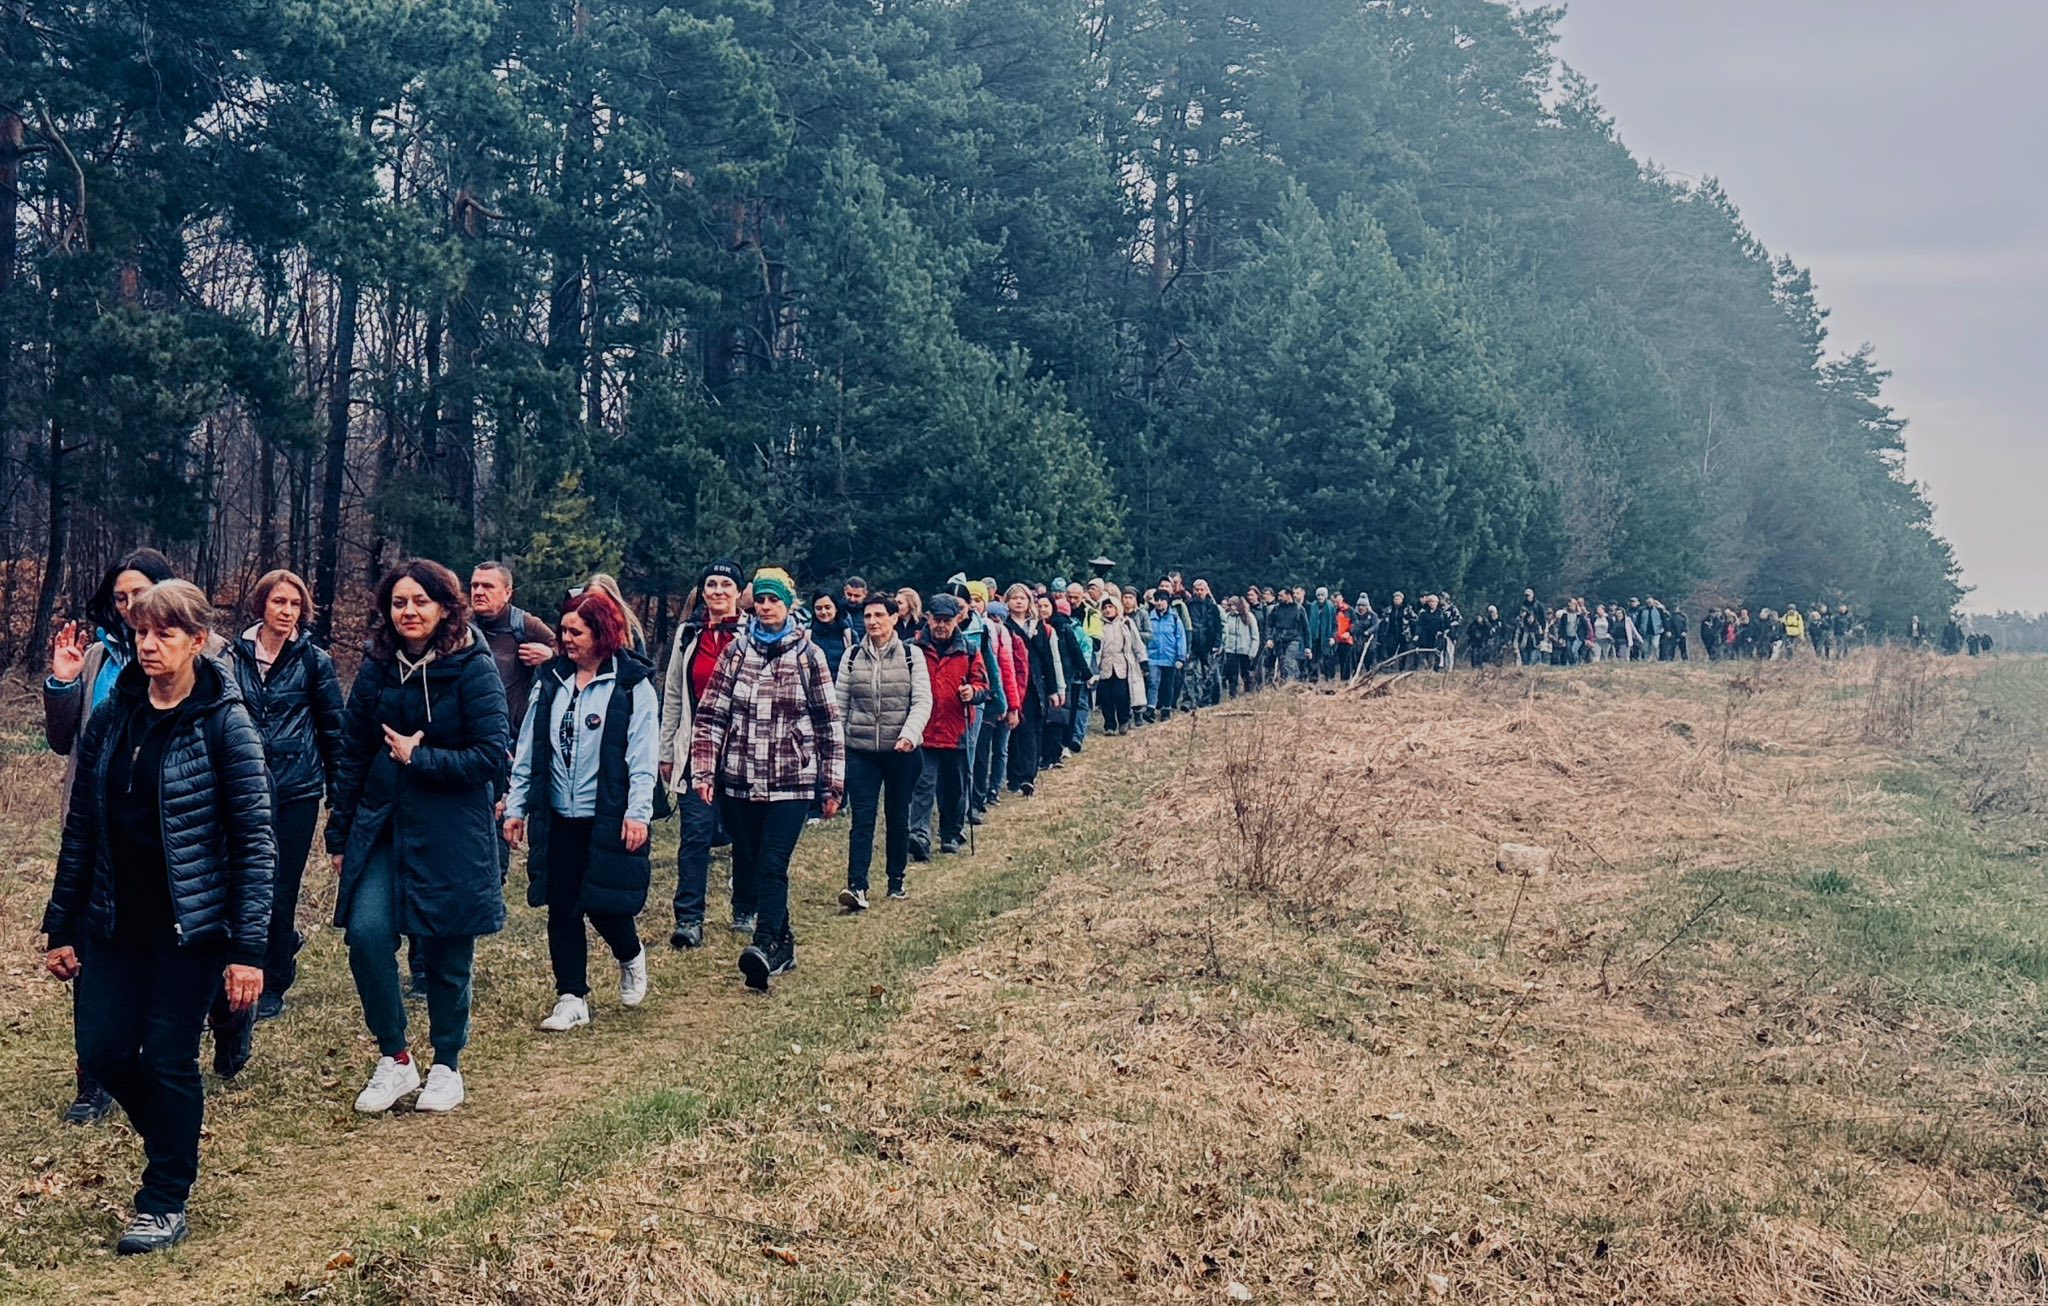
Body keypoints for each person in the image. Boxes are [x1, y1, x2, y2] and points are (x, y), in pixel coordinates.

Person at [42, 580, 275, 1254]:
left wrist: (248, 950)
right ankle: (176, 1139)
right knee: (104, 1052)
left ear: (197, 641)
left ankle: (164, 1199)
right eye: (141, 632)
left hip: (192, 928)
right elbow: (83, 825)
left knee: (169, 1059)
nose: (148, 645)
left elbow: (255, 841)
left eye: (165, 633)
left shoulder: (225, 722)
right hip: (114, 920)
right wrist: (62, 924)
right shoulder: (115, 715)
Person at [327, 559, 509, 1116]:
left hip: (453, 829)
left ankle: (447, 1064)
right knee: (367, 934)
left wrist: (419, 757)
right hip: (384, 824)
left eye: (420, 601)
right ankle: (396, 1057)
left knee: (449, 949)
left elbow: (491, 757)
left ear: (444, 607)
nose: (408, 611)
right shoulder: (378, 666)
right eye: (399, 602)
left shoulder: (473, 666)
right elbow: (353, 750)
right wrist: (340, 833)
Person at [43, 548, 180, 1125]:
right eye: (120, 598)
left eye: (139, 595)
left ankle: (161, 1056)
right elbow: (61, 741)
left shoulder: (202, 652)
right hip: (97, 825)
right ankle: (93, 1080)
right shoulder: (97, 656)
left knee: (156, 949)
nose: (128, 607)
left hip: (168, 832)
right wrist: (62, 683)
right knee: (90, 943)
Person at [502, 590, 660, 1031]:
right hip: (558, 815)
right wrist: (516, 807)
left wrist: (638, 812)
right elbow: (529, 749)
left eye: (576, 632)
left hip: (607, 813)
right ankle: (571, 997)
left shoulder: (632, 685)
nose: (565, 639)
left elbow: (643, 757)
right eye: (564, 631)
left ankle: (630, 954)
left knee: (605, 903)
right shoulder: (550, 679)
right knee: (563, 905)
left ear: (601, 633)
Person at [689, 567, 846, 992]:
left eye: (774, 599)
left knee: (774, 863)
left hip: (792, 779)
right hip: (739, 778)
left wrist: (832, 783)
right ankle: (785, 941)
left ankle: (765, 945)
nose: (765, 607)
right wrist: (704, 769)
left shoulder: (809, 655)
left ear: (789, 604)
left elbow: (828, 723)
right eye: (760, 599)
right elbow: (711, 715)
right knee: (755, 860)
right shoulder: (736, 652)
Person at [223, 569, 345, 1027]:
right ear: (262, 605)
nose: (287, 611)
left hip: (297, 789)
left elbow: (334, 731)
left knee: (280, 886)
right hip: (243, 786)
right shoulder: (232, 656)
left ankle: (274, 981)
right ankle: (246, 961)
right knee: (240, 879)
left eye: (295, 604)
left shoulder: (314, 661)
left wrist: (338, 798)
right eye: (279, 602)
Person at [658, 560, 746, 947]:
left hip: (743, 751)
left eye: (726, 584)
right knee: (694, 834)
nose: (718, 591)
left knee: (744, 833)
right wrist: (666, 750)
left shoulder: (752, 632)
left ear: (739, 591)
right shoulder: (688, 634)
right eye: (711, 584)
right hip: (695, 751)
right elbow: (674, 695)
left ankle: (745, 907)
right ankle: (689, 917)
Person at [836, 594, 932, 910]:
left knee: (897, 814)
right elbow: (840, 703)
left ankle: (896, 880)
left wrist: (909, 734)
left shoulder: (912, 656)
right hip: (861, 749)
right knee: (862, 818)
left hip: (901, 750)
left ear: (893, 618)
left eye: (879, 615)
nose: (872, 622)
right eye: (867, 616)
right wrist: (837, 743)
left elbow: (922, 700)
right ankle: (857, 886)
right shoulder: (852, 656)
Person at [911, 594, 991, 856]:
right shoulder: (913, 647)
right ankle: (919, 835)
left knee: (953, 788)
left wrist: (972, 691)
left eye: (947, 620)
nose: (941, 626)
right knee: (922, 785)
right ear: (928, 618)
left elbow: (984, 686)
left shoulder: (969, 649)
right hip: (923, 730)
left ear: (957, 619)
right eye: (937, 620)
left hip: (956, 730)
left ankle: (951, 833)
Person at [1004, 585, 1064, 796]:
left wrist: (1054, 689)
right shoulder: (1004, 627)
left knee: (1032, 729)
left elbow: (1048, 659)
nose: (1019, 602)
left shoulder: (1039, 627)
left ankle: (1028, 776)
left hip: (1035, 685)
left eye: (1023, 598)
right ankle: (1014, 776)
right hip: (1013, 683)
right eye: (1014, 598)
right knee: (1015, 731)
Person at [1093, 595, 1148, 733]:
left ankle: (1124, 720)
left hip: (1122, 665)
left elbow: (1137, 644)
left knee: (1121, 695)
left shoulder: (1126, 623)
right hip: (1104, 665)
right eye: (1105, 607)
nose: (1107, 610)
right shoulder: (1100, 625)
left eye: (1110, 607)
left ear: (1117, 608)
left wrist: (1143, 661)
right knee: (1106, 697)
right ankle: (1109, 725)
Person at [1144, 587, 1189, 721]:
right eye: (1157, 600)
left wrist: (1180, 657)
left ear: (1167, 601)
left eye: (1162, 600)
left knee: (1168, 684)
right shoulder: (1149, 617)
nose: (1159, 603)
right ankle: (1151, 708)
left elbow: (1181, 638)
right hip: (1153, 656)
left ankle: (1166, 709)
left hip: (1170, 657)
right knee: (1153, 682)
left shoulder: (1174, 618)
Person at [1220, 596, 1260, 697]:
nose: (1232, 607)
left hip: (1245, 650)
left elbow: (1255, 635)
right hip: (1231, 650)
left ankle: (1248, 693)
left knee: (1246, 673)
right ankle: (1232, 694)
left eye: (1234, 605)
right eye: (1230, 605)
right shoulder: (1227, 616)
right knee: (1231, 674)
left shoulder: (1249, 616)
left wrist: (1253, 651)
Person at [809, 592, 848, 682]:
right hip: (816, 685)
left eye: (827, 607)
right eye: (818, 608)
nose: (823, 612)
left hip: (842, 685)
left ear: (836, 608)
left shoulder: (847, 634)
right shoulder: (807, 635)